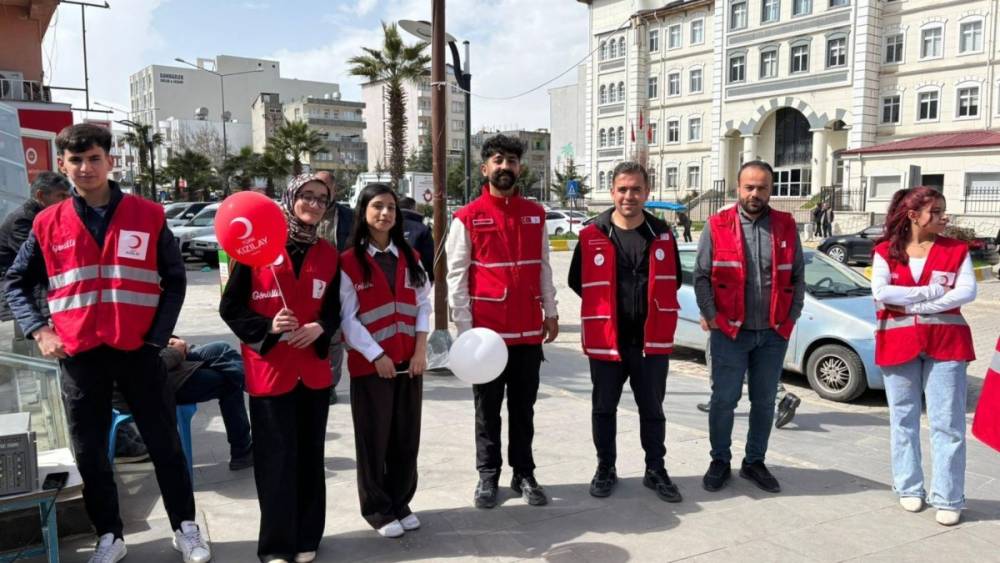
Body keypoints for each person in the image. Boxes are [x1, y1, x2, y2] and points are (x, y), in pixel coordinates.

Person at [2, 123, 210, 563]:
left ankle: (185, 527)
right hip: (79, 355)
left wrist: (157, 337)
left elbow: (174, 279)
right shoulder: (47, 222)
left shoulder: (148, 215)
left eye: (94, 158)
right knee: (91, 449)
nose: (85, 167)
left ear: (109, 161)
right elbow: (16, 281)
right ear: (63, 165)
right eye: (75, 160)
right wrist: (40, 330)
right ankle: (109, 535)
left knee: (164, 443)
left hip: (138, 350)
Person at [219, 173, 340, 563]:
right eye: (307, 196)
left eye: (322, 199)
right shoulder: (257, 250)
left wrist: (321, 328)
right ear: (291, 198)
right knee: (275, 462)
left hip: (314, 374)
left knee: (309, 458)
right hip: (271, 372)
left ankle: (308, 537)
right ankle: (275, 545)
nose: (314, 204)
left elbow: (335, 310)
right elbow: (231, 308)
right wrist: (268, 329)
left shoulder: (328, 253)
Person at [445, 134, 559, 509]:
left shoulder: (535, 214)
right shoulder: (467, 217)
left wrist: (552, 310)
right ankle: (487, 476)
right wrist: (464, 333)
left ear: (519, 168)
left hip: (527, 332)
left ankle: (523, 473)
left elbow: (543, 265)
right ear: (485, 168)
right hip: (486, 338)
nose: (505, 166)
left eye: (511, 161)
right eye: (498, 160)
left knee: (523, 410)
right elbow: (456, 278)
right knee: (487, 411)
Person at [567, 161, 683, 502]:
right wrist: (607, 310)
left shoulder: (662, 234)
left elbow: (672, 280)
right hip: (608, 341)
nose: (629, 196)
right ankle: (606, 468)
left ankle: (655, 470)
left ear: (646, 192)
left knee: (653, 410)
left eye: (635, 189)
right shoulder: (592, 235)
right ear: (612, 192)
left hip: (650, 343)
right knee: (604, 408)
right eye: (622, 189)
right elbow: (578, 282)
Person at [694, 160, 805, 494]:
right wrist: (711, 315)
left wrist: (789, 320)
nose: (756, 194)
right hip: (729, 333)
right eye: (749, 187)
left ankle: (754, 462)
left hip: (772, 334)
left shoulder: (785, 225)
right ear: (737, 188)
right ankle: (720, 461)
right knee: (724, 401)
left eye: (763, 188)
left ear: (771, 190)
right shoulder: (717, 225)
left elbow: (798, 276)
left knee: (764, 401)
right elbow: (701, 277)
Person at [870, 186, 976, 527]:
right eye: (936, 211)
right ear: (914, 215)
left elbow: (967, 291)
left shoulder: (957, 250)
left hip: (946, 343)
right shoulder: (885, 251)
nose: (944, 216)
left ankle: (948, 496)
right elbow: (881, 292)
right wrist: (932, 292)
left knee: (948, 423)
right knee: (904, 419)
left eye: (944, 210)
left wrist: (914, 303)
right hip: (898, 343)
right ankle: (909, 487)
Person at [339, 184, 431, 539]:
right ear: (363, 211)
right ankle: (377, 509)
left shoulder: (410, 257)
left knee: (406, 437)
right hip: (371, 366)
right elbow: (348, 318)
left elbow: (422, 305)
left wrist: (421, 349)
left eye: (391, 207)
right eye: (378, 206)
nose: (385, 214)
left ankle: (400, 501)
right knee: (374, 438)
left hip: (410, 362)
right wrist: (376, 355)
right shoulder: (348, 262)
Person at [112, 338, 254, 470]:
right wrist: (176, 351)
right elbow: (139, 369)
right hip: (150, 386)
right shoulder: (111, 332)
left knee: (221, 349)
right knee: (229, 380)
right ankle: (243, 449)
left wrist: (171, 340)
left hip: (162, 362)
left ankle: (255, 389)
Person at [315, 170, 354, 405]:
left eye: (325, 187)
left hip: (342, 283)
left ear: (334, 190)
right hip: (312, 283)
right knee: (319, 334)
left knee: (337, 337)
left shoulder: (349, 216)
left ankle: (330, 384)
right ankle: (316, 381)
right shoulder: (304, 214)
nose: (321, 193)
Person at [398, 196, 435, 280]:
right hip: (415, 277)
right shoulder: (421, 228)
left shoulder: (386, 226)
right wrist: (431, 277)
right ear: (413, 208)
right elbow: (429, 257)